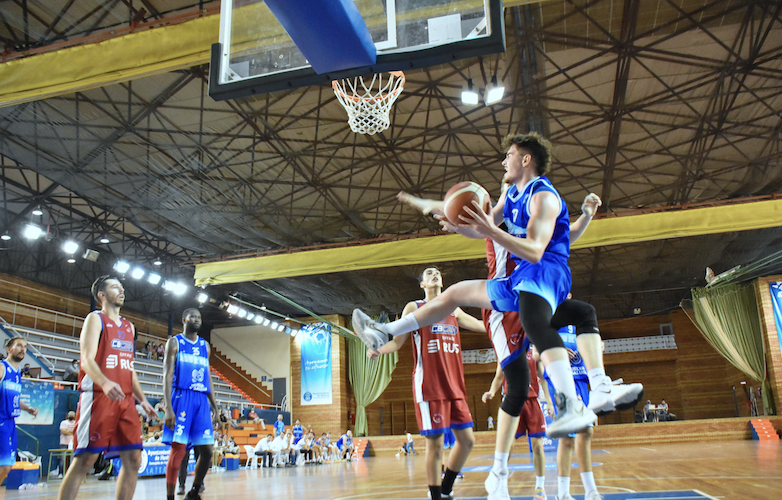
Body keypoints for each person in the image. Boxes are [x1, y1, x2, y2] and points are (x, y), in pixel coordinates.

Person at [380, 134, 642, 499]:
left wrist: (487, 228)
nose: (503, 160)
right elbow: (473, 220)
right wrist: (429, 206)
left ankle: (571, 406)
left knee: (536, 332)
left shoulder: (542, 197)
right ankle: (386, 330)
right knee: (461, 298)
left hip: (537, 275)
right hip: (512, 288)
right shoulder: (509, 198)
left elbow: (537, 247)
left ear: (525, 159)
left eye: (509, 155)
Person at [367, 266, 483, 500]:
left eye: (437, 272)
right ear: (422, 284)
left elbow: (482, 327)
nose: (434, 275)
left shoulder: (453, 308)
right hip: (429, 385)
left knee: (467, 441)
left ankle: (447, 486)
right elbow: (397, 343)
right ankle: (436, 495)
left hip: (455, 385)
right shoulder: (415, 308)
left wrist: (511, 321)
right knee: (436, 446)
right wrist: (378, 350)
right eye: (429, 273)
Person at [58, 275, 157, 500]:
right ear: (101, 295)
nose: (121, 291)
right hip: (98, 398)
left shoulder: (129, 327)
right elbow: (86, 360)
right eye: (115, 287)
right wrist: (104, 381)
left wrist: (142, 400)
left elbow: (128, 369)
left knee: (134, 459)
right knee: (85, 460)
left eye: (122, 287)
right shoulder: (95, 319)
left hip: (126, 401)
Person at [162, 308, 220, 500]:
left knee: (207, 450)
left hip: (201, 400)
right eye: (192, 316)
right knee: (178, 450)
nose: (196, 319)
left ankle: (194, 491)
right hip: (181, 397)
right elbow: (167, 376)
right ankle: (170, 496)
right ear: (184, 319)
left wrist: (215, 407)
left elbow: (208, 377)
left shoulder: (205, 346)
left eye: (199, 317)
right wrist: (168, 408)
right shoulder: (175, 343)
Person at [536, 333, 601, 500]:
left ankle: (590, 491)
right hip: (559, 377)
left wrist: (597, 346)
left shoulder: (579, 316)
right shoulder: (547, 315)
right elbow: (535, 353)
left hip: (580, 378)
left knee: (586, 432)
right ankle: (563, 493)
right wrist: (558, 351)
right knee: (568, 438)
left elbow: (595, 342)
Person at [483, 340, 548, 500]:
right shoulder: (505, 351)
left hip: (533, 401)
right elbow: (499, 377)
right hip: (513, 402)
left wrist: (550, 402)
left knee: (538, 446)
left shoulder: (534, 352)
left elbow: (543, 378)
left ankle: (540, 487)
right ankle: (500, 482)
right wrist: (491, 391)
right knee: (508, 445)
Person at [0, 338, 38, 486]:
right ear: (8, 349)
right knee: (5, 466)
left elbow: (14, 399)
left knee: (6, 467)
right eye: (19, 346)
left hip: (10, 424)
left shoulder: (17, 374)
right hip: (1, 421)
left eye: (25, 347)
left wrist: (28, 409)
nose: (23, 349)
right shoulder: (2, 368)